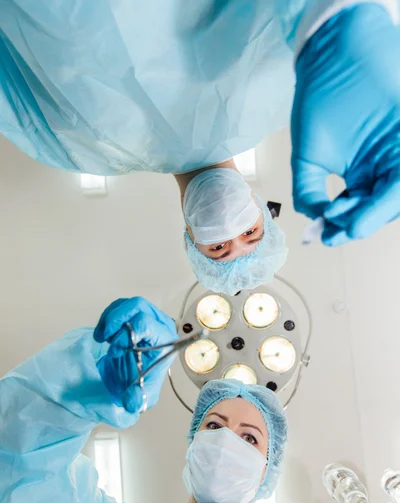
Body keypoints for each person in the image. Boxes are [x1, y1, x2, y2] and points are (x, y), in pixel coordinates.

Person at [1, 3, 399, 291]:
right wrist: (336, 18)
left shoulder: (76, 150)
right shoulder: (273, 101)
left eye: (219, 248)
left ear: (191, 237)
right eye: (252, 234)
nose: (232, 232)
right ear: (262, 208)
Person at [0, 297, 353, 503]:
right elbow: (22, 462)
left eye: (249, 438)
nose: (226, 440)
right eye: (214, 426)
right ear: (191, 446)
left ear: (268, 468)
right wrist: (88, 377)